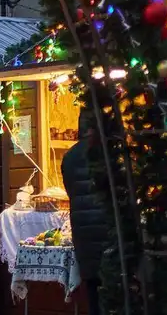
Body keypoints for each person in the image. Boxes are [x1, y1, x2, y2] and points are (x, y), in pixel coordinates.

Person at [61, 113, 110, 315]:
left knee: (93, 290)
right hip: (108, 230)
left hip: (82, 232)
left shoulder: (69, 157)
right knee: (114, 286)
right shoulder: (107, 152)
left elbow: (70, 189)